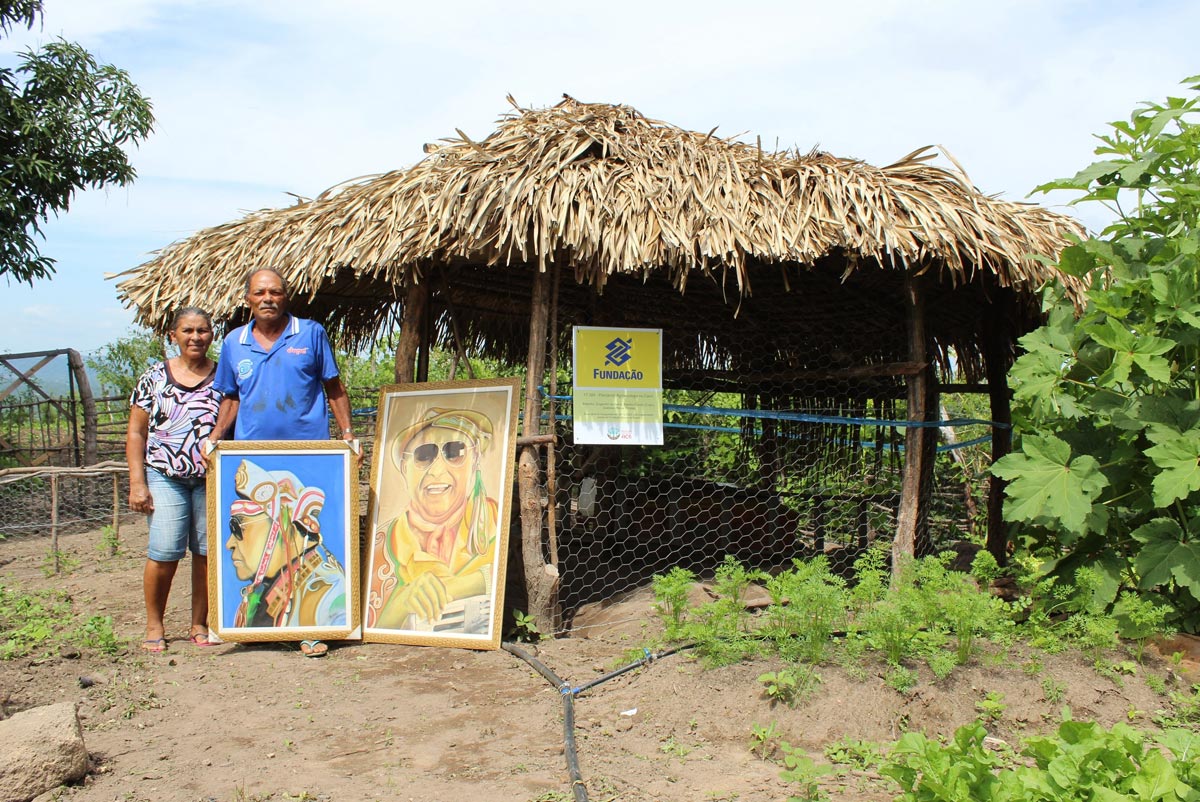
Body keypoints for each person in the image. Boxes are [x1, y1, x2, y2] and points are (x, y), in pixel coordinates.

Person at [206, 267, 355, 657]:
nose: (268, 298)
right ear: (248, 299)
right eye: (260, 292)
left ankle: (313, 627)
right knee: (259, 542)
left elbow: (334, 387)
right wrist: (216, 437)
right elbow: (231, 398)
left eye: (275, 292)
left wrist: (348, 434)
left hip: (309, 453)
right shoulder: (234, 343)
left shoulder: (310, 334)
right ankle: (255, 627)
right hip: (253, 451)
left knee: (302, 542)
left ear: (286, 297)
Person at [126, 307, 222, 653]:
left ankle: (200, 622)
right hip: (165, 475)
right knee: (165, 551)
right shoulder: (154, 377)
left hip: (212, 477)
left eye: (203, 330)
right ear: (173, 335)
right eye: (188, 330)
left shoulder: (224, 376)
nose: (196, 337)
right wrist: (138, 482)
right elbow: (136, 433)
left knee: (207, 554)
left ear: (212, 334)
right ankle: (155, 623)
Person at [366, 407, 498, 634]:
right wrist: (402, 601)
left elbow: (500, 577)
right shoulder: (383, 545)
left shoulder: (495, 522)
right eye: (424, 455)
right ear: (404, 468)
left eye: (454, 451)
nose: (437, 470)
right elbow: (372, 626)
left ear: (474, 460)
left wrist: (460, 585)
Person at [226, 459, 347, 628]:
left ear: (287, 528)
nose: (229, 543)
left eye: (237, 527)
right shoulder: (258, 597)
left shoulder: (331, 597)